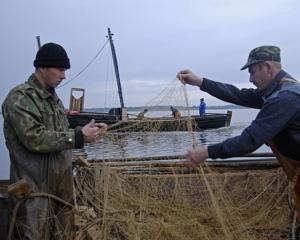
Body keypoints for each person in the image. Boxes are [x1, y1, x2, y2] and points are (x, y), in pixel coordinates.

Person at [177, 45, 300, 217]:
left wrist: (205, 152)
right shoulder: (275, 89)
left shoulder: (285, 97)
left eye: (252, 71)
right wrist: (200, 81)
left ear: (268, 68)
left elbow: (249, 141)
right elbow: (237, 95)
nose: (250, 79)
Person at [2, 42, 107, 239]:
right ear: (42, 67)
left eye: (65, 70)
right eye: (60, 69)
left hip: (60, 190)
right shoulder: (20, 98)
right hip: (34, 192)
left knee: (62, 235)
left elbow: (60, 134)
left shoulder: (54, 99)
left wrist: (85, 133)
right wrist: (77, 136)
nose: (64, 75)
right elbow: (35, 138)